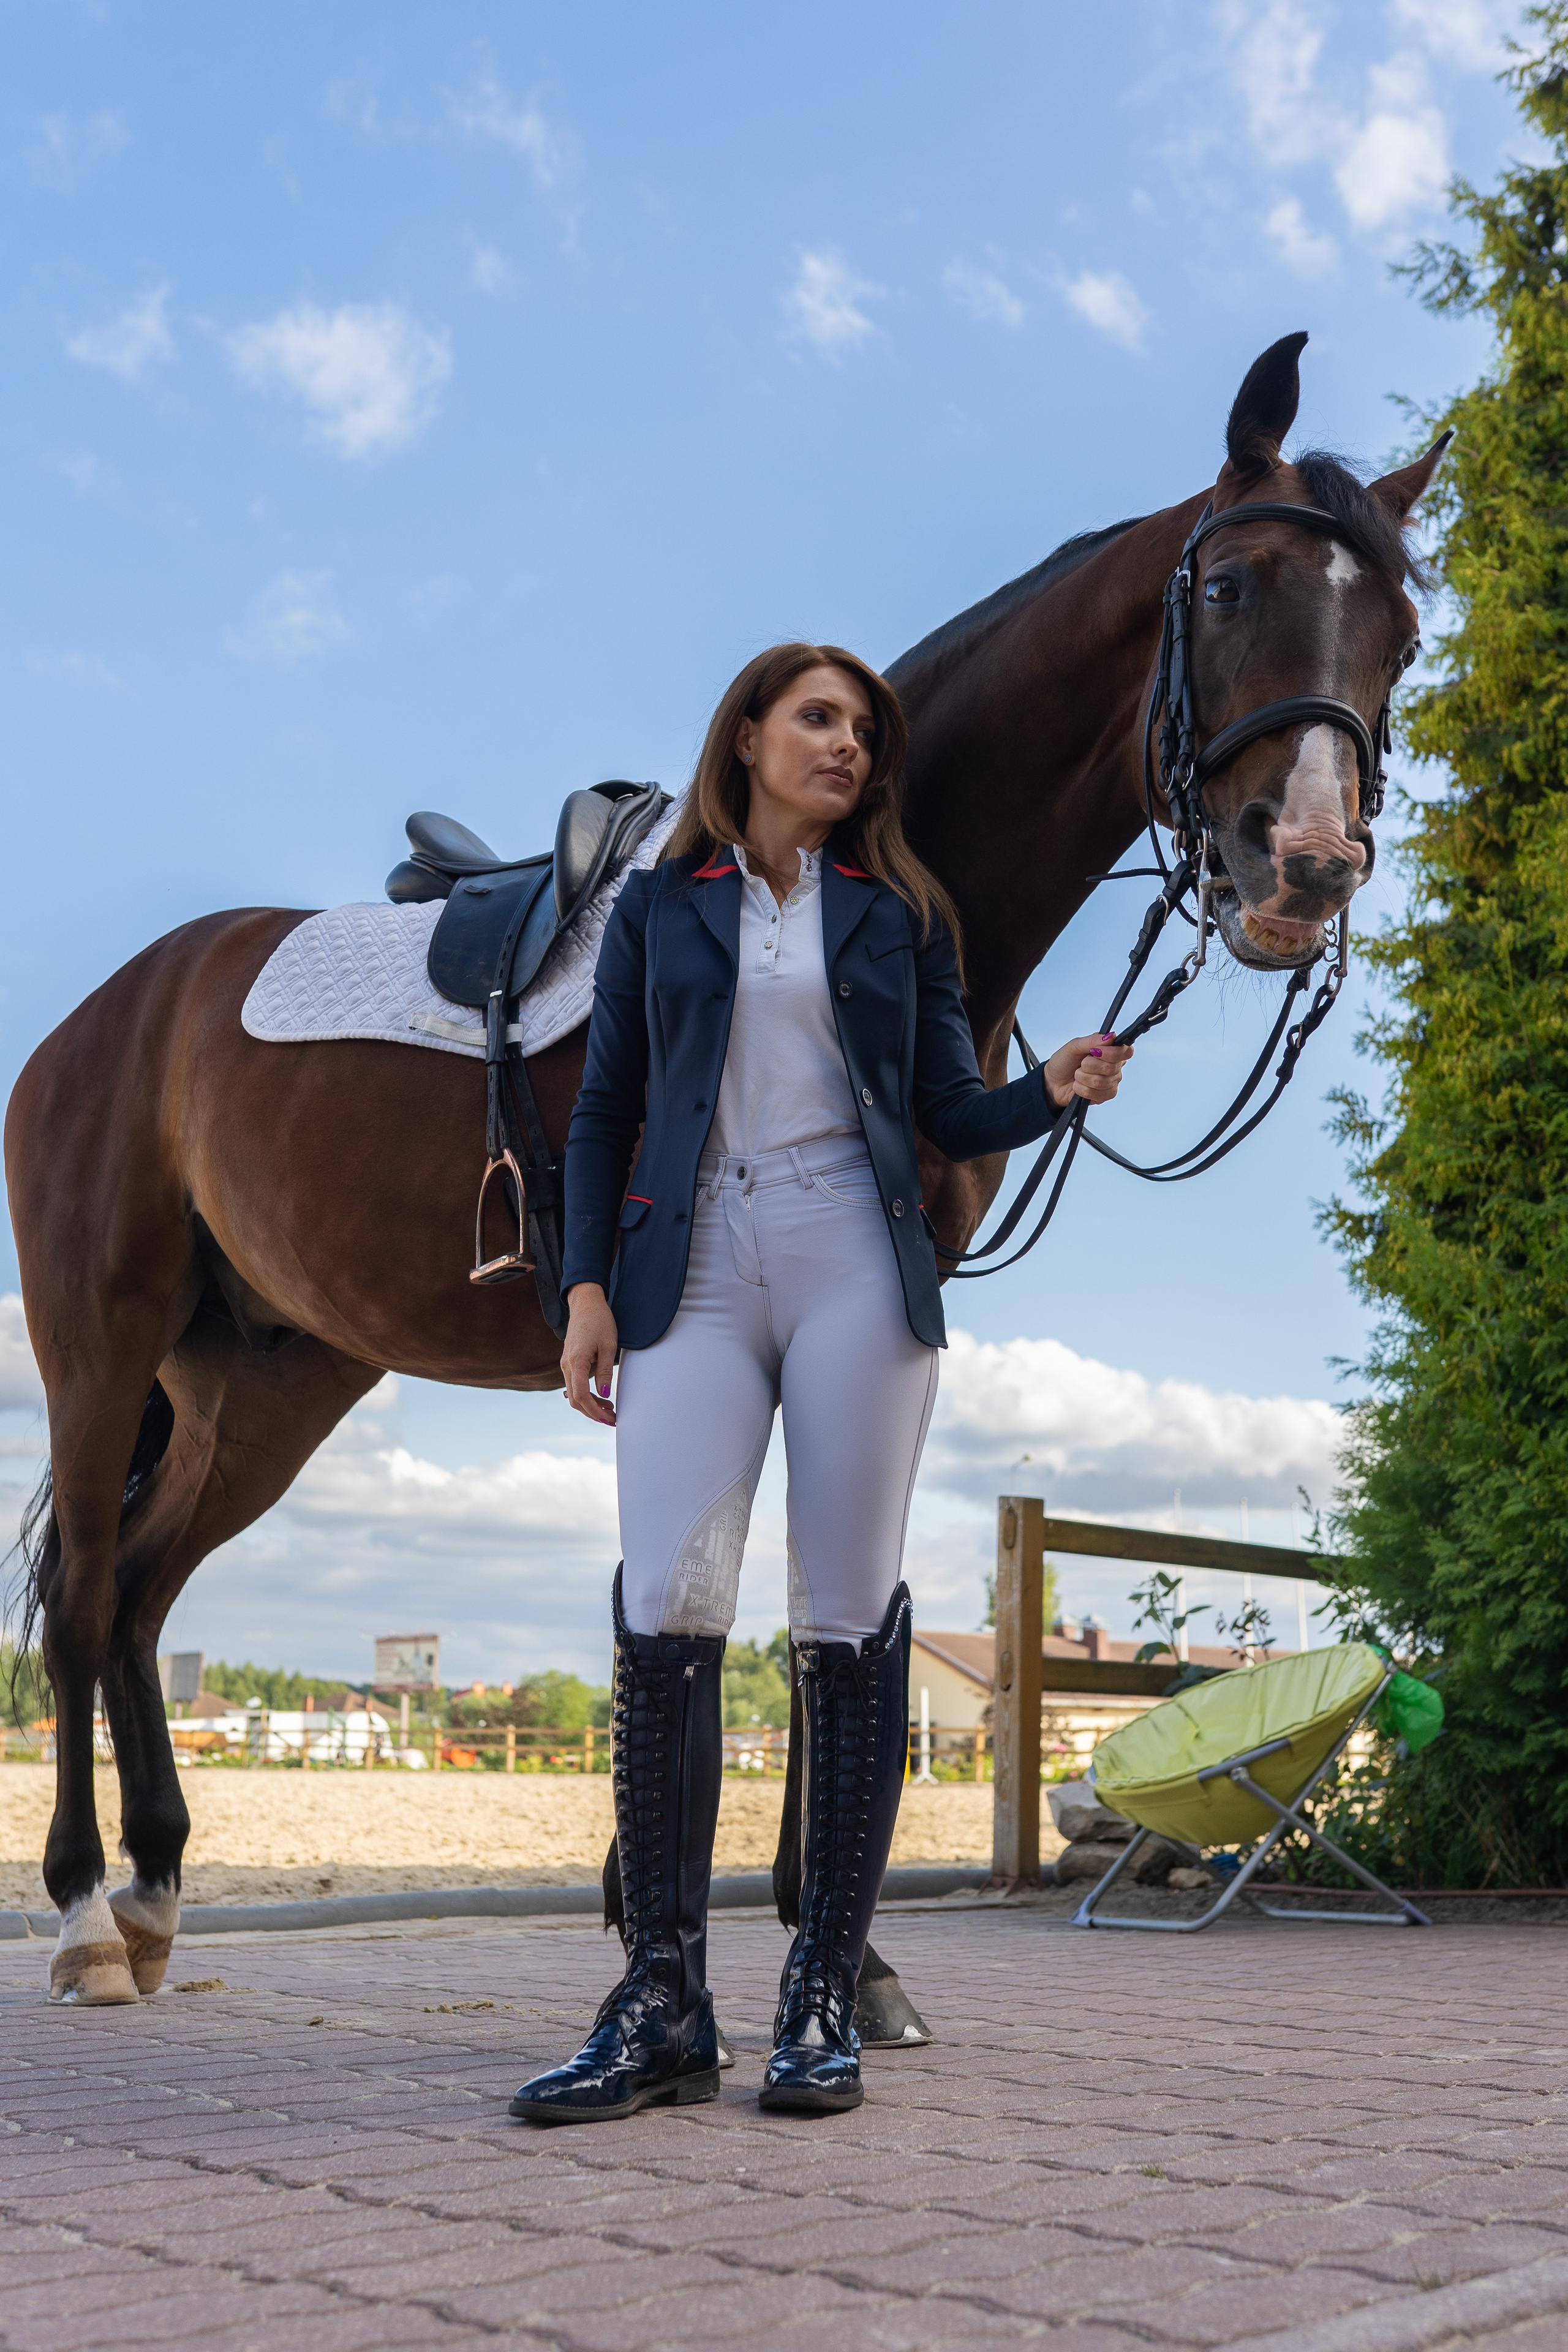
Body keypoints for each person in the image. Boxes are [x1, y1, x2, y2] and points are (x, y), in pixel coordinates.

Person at [509, 643, 1133, 2127]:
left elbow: (940, 1104)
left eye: (862, 727)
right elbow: (603, 1110)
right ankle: (660, 2005)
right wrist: (585, 1288)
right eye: (817, 718)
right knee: (666, 1605)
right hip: (691, 1265)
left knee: (844, 1622)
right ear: (744, 735)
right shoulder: (662, 904)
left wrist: (1045, 1096)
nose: (846, 744)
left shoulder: (896, 911)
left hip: (854, 1253)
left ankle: (815, 1996)